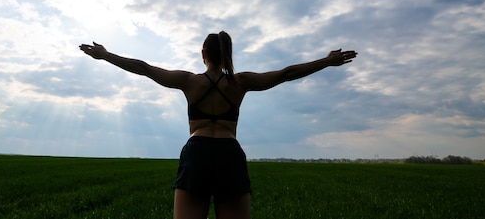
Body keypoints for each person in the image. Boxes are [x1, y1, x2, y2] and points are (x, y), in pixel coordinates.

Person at [80, 31, 357, 219]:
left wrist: (106, 55)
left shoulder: (189, 81)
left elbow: (144, 67)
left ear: (204, 54)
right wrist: (327, 61)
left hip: (197, 152)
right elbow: (286, 74)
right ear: (227, 55)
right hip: (229, 154)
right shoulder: (240, 82)